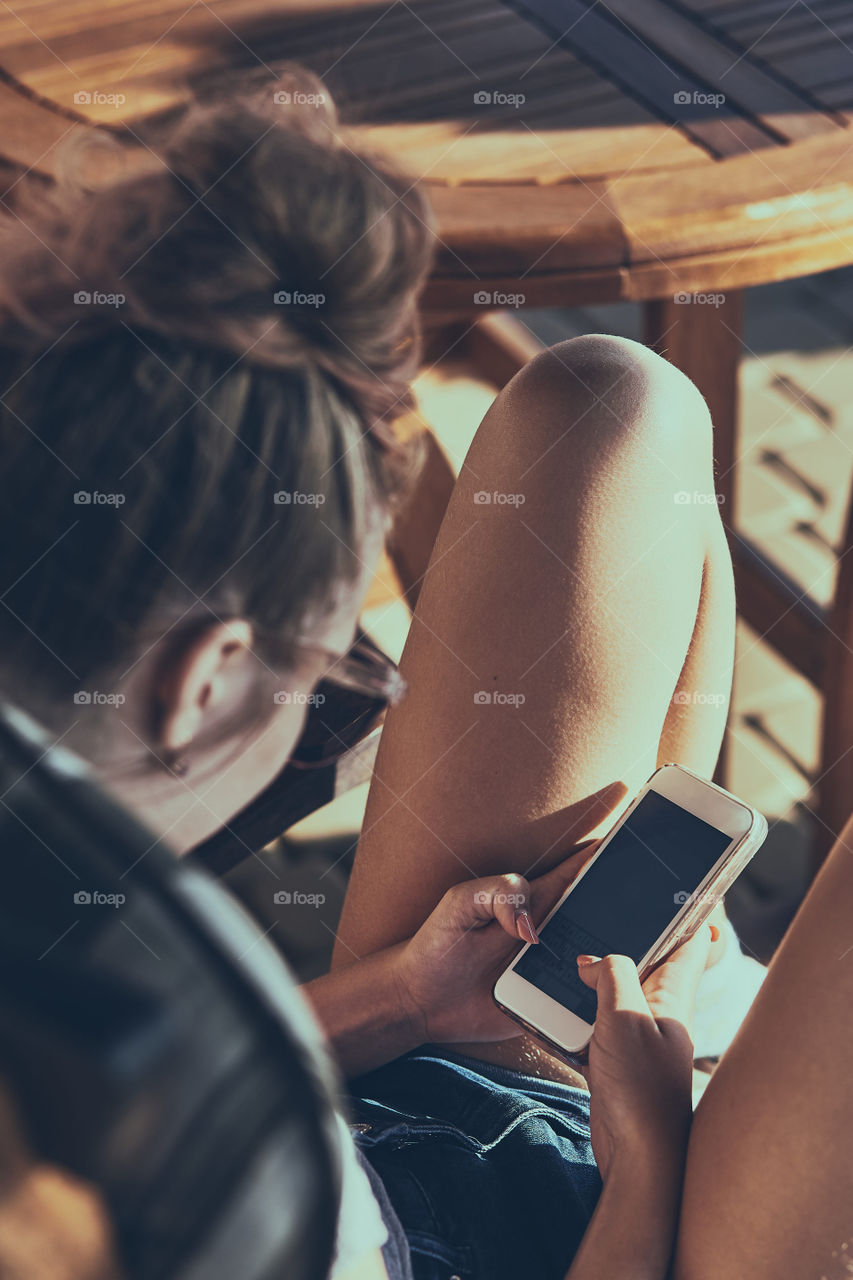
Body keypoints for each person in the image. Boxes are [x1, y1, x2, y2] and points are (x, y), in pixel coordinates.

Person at [0, 68, 851, 1280]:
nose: (388, 695)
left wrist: (403, 996)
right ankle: (723, 1032)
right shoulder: (157, 1155)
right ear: (203, 677)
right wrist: (652, 1155)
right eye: (337, 663)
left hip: (398, 1125)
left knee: (608, 412)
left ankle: (710, 1007)